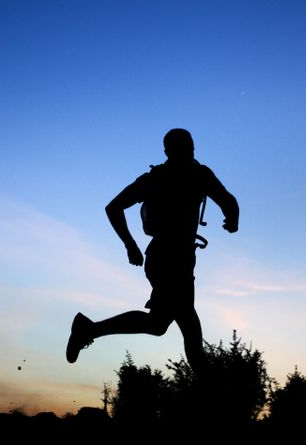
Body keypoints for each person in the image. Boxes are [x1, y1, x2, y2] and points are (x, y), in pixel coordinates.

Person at [66, 128, 238, 369]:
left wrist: (232, 219)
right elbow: (113, 207)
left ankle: (89, 329)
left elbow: (228, 201)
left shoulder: (188, 176)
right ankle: (208, 391)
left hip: (177, 258)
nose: (187, 153)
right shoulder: (171, 177)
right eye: (183, 149)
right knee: (189, 323)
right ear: (170, 151)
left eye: (188, 148)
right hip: (166, 258)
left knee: (158, 325)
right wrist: (130, 245)